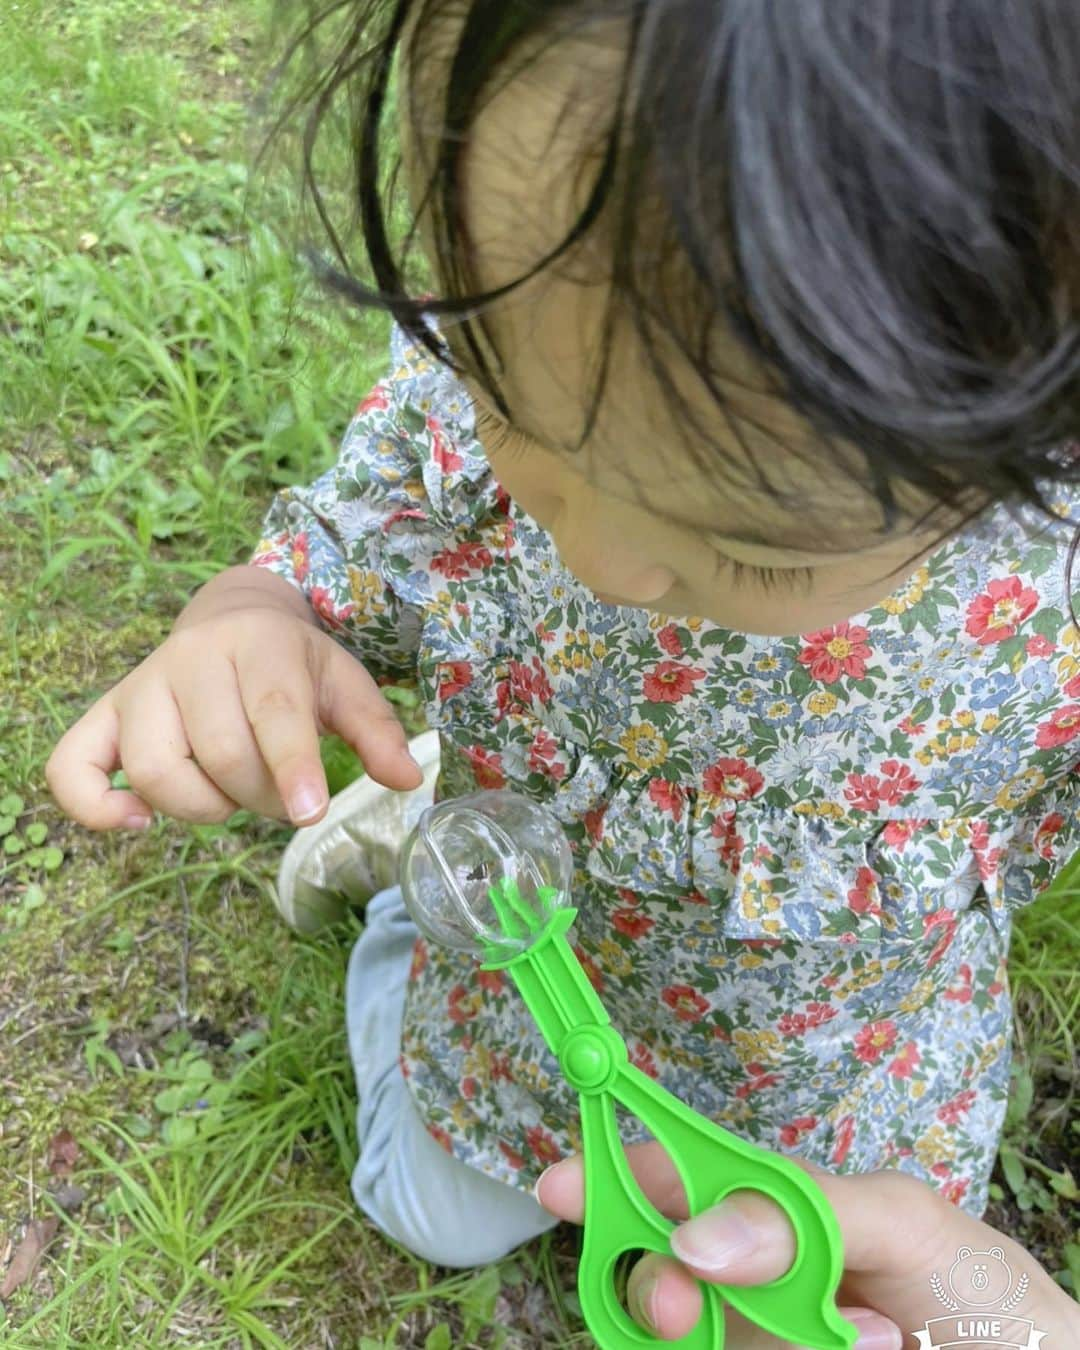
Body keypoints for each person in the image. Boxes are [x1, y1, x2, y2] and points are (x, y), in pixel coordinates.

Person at [46, 2, 1080, 1344]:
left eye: (748, 549)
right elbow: (339, 546)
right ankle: (417, 891)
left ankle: (431, 847)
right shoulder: (525, 355)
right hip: (517, 1031)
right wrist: (246, 618)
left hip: (850, 1079)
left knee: (818, 1290)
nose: (593, 553)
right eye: (506, 410)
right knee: (437, 1206)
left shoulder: (1051, 587)